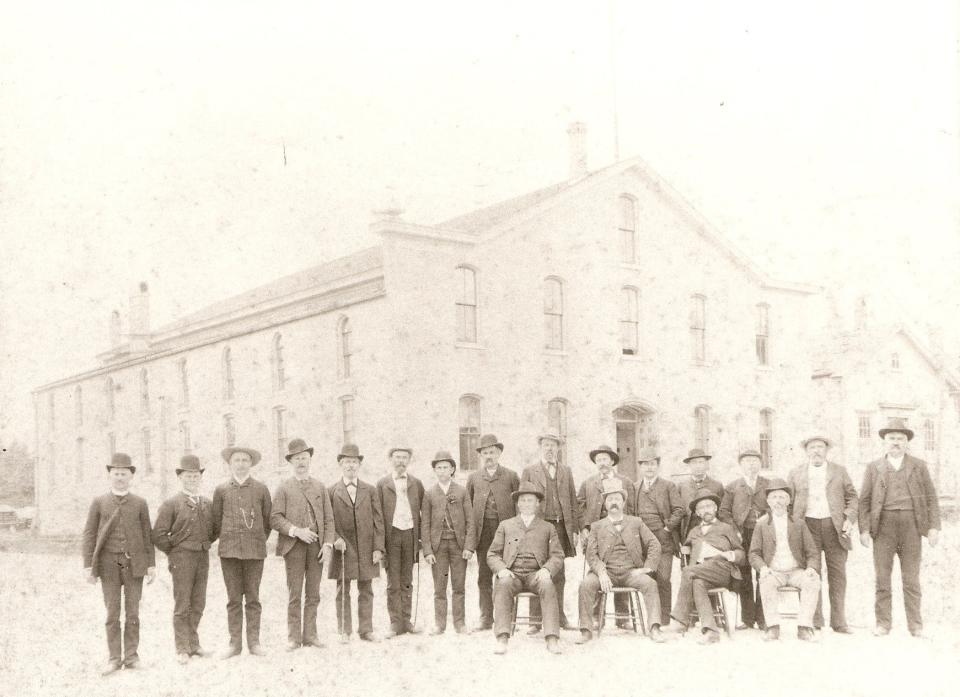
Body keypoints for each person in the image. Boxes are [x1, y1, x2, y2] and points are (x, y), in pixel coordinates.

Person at [859, 418, 941, 637]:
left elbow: (932, 498)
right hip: (883, 527)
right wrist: (864, 530)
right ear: (885, 442)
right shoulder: (874, 467)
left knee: (911, 578)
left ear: (907, 442)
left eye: (900, 438)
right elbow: (864, 501)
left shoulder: (919, 466)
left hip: (911, 527)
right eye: (891, 438)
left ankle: (916, 626)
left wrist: (934, 527)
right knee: (882, 578)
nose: (896, 442)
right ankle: (883, 624)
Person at [83, 452, 156, 675]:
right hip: (108, 565)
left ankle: (132, 657)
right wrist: (88, 566)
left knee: (133, 612)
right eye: (116, 473)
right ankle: (114, 658)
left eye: (124, 473)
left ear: (131, 476)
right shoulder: (99, 502)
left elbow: (147, 536)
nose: (120, 477)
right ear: (110, 475)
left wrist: (151, 565)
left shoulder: (140, 503)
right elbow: (89, 533)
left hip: (134, 565)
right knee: (112, 612)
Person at [577, 481, 666, 644]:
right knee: (585, 585)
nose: (614, 503)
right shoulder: (597, 526)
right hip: (605, 572)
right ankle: (586, 630)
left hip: (630, 572)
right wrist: (601, 572)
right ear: (605, 504)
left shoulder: (636, 522)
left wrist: (647, 568)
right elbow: (591, 554)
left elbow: (654, 544)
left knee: (650, 584)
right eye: (610, 499)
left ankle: (654, 628)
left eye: (617, 499)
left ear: (623, 502)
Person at [786, 435, 858, 634]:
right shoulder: (795, 473)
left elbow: (852, 497)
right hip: (807, 527)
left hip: (835, 528)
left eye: (820, 447)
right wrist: (793, 527)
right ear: (806, 451)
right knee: (810, 574)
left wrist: (849, 519)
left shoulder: (839, 471)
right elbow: (788, 503)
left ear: (826, 450)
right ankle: (813, 619)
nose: (816, 450)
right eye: (812, 447)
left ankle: (839, 622)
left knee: (838, 575)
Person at [270, 438, 336, 651]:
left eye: (305, 458)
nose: (301, 462)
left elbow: (329, 519)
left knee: (314, 593)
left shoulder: (320, 486)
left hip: (316, 547)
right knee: (295, 593)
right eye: (297, 458)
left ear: (310, 460)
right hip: (294, 547)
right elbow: (275, 517)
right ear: (291, 461)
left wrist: (327, 545)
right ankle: (293, 638)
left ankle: (311, 635)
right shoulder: (284, 487)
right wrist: (297, 531)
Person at [487, 481, 565, 654]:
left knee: (548, 585)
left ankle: (552, 638)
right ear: (518, 503)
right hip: (512, 574)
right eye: (522, 500)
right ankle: (502, 637)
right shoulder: (506, 525)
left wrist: (546, 570)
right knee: (503, 583)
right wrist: (501, 569)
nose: (526, 504)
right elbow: (492, 554)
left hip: (535, 575)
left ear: (537, 504)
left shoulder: (548, 527)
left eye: (530, 500)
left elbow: (557, 555)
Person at [152, 454, 215, 664]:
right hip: (182, 559)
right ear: (181, 477)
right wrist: (175, 551)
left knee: (199, 602)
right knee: (183, 603)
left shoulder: (207, 503)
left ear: (200, 477)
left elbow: (214, 530)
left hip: (202, 557)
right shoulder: (172, 504)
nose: (192, 479)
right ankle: (182, 648)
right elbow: (158, 534)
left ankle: (194, 644)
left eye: (196, 475)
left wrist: (203, 544)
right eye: (188, 475)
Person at [211, 446, 272, 659]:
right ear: (230, 463)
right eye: (236, 460)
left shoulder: (261, 489)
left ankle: (254, 643)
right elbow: (216, 522)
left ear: (251, 463)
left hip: (255, 551)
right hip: (229, 552)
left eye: (245, 460)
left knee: (253, 598)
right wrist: (231, 540)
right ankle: (234, 644)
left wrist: (254, 540)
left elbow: (267, 522)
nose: (241, 463)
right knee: (234, 599)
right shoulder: (221, 490)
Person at [521, 431, 580, 630]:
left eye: (553, 445)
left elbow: (572, 500)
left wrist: (574, 529)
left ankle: (559, 617)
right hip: (539, 526)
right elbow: (523, 501)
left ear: (558, 448)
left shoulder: (566, 471)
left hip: (561, 526)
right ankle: (535, 620)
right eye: (546, 445)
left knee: (559, 573)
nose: (549, 449)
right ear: (540, 447)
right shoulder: (530, 471)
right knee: (536, 569)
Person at [748, 479, 821, 642]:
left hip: (796, 571)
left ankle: (804, 627)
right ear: (768, 501)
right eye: (774, 497)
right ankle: (773, 627)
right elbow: (753, 554)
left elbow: (812, 552)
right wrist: (763, 568)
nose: (778, 501)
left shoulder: (799, 524)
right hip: (774, 572)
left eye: (782, 497)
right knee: (765, 581)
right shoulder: (761, 525)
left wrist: (811, 568)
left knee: (813, 580)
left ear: (788, 501)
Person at [668, 489, 744, 644]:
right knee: (697, 583)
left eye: (709, 506)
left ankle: (680, 621)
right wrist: (686, 550)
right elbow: (687, 549)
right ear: (697, 512)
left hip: (722, 569)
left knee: (688, 571)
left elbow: (740, 553)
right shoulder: (694, 531)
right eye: (701, 508)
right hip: (701, 572)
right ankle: (711, 631)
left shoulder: (726, 528)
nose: (706, 510)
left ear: (715, 508)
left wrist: (730, 555)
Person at [328, 443, 385, 642]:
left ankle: (366, 629)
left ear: (359, 465)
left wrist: (378, 547)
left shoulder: (370, 490)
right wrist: (335, 539)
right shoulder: (332, 491)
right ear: (340, 465)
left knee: (366, 588)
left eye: (354, 462)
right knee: (342, 589)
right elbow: (328, 521)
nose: (350, 466)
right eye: (346, 462)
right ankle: (344, 630)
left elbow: (379, 521)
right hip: (343, 547)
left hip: (366, 547)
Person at [465, 434, 519, 631]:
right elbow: (468, 510)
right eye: (485, 452)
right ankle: (486, 617)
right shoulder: (473, 478)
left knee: (506, 575)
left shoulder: (511, 476)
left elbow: (519, 505)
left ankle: (506, 617)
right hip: (483, 534)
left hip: (505, 533)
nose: (489, 456)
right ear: (481, 455)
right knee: (484, 575)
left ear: (499, 453)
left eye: (493, 452)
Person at [421, 450, 476, 634]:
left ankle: (460, 623)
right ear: (434, 471)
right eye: (439, 467)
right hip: (438, 547)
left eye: (446, 467)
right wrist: (427, 550)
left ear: (452, 469)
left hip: (458, 546)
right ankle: (440, 624)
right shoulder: (429, 493)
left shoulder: (461, 491)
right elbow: (425, 523)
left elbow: (470, 521)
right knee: (439, 587)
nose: (442, 471)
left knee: (459, 585)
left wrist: (469, 546)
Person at [632, 446, 684, 626]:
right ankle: (651, 619)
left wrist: (667, 529)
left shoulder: (668, 486)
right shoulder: (635, 487)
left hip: (663, 539)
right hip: (642, 541)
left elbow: (679, 510)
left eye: (652, 464)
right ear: (640, 467)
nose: (649, 468)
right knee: (648, 579)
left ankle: (664, 619)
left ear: (658, 466)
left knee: (663, 578)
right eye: (645, 464)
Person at [376, 445, 425, 638]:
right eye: (397, 457)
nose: (400, 461)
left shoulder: (416, 483)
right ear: (391, 459)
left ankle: (407, 621)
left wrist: (421, 539)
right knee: (392, 581)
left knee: (407, 580)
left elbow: (424, 512)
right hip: (392, 536)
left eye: (404, 457)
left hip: (410, 535)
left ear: (409, 461)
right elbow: (378, 517)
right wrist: (380, 545)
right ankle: (395, 623)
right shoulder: (382, 484)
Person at [719, 449, 769, 629]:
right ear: (741, 465)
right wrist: (734, 531)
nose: (751, 464)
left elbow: (776, 505)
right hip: (742, 535)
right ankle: (748, 619)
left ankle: (764, 618)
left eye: (755, 460)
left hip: (763, 534)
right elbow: (723, 511)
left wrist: (767, 519)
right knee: (745, 575)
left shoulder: (768, 485)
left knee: (764, 574)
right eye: (747, 461)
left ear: (760, 464)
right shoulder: (733, 486)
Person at [678, 448, 725, 542]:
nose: (698, 466)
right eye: (694, 462)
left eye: (701, 462)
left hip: (712, 533)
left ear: (706, 464)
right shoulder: (682, 486)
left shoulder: (717, 485)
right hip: (689, 533)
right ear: (689, 465)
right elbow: (678, 512)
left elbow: (722, 512)